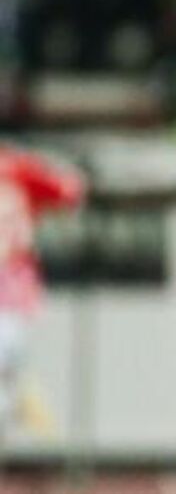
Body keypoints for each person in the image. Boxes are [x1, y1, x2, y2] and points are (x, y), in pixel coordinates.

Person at [0, 146, 85, 445]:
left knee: (8, 351)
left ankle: (15, 395)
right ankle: (17, 395)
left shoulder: (20, 170)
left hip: (12, 292)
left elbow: (69, 191)